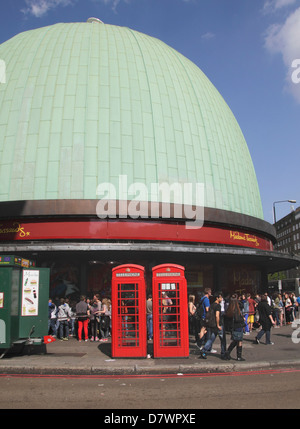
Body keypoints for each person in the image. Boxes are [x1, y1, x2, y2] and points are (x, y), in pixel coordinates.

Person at [198, 293, 223, 360]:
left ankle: (204, 351)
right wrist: (218, 325)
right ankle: (223, 353)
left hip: (211, 324)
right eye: (220, 297)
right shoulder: (218, 306)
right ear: (217, 298)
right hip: (216, 324)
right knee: (221, 339)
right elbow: (217, 316)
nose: (221, 299)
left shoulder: (211, 305)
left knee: (211, 338)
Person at [224, 294, 246, 361]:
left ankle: (228, 352)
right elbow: (237, 319)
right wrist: (243, 319)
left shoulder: (229, 309)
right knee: (239, 340)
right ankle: (238, 356)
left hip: (233, 327)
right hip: (238, 326)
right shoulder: (236, 309)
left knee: (236, 340)